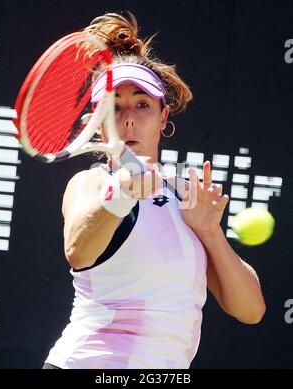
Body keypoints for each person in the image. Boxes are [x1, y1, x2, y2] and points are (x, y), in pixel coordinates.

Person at [43, 12, 266, 369]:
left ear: (164, 117)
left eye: (142, 104)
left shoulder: (185, 195)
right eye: (114, 107)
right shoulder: (92, 183)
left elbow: (251, 310)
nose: (129, 117)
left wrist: (210, 233)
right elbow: (78, 252)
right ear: (97, 123)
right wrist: (124, 192)